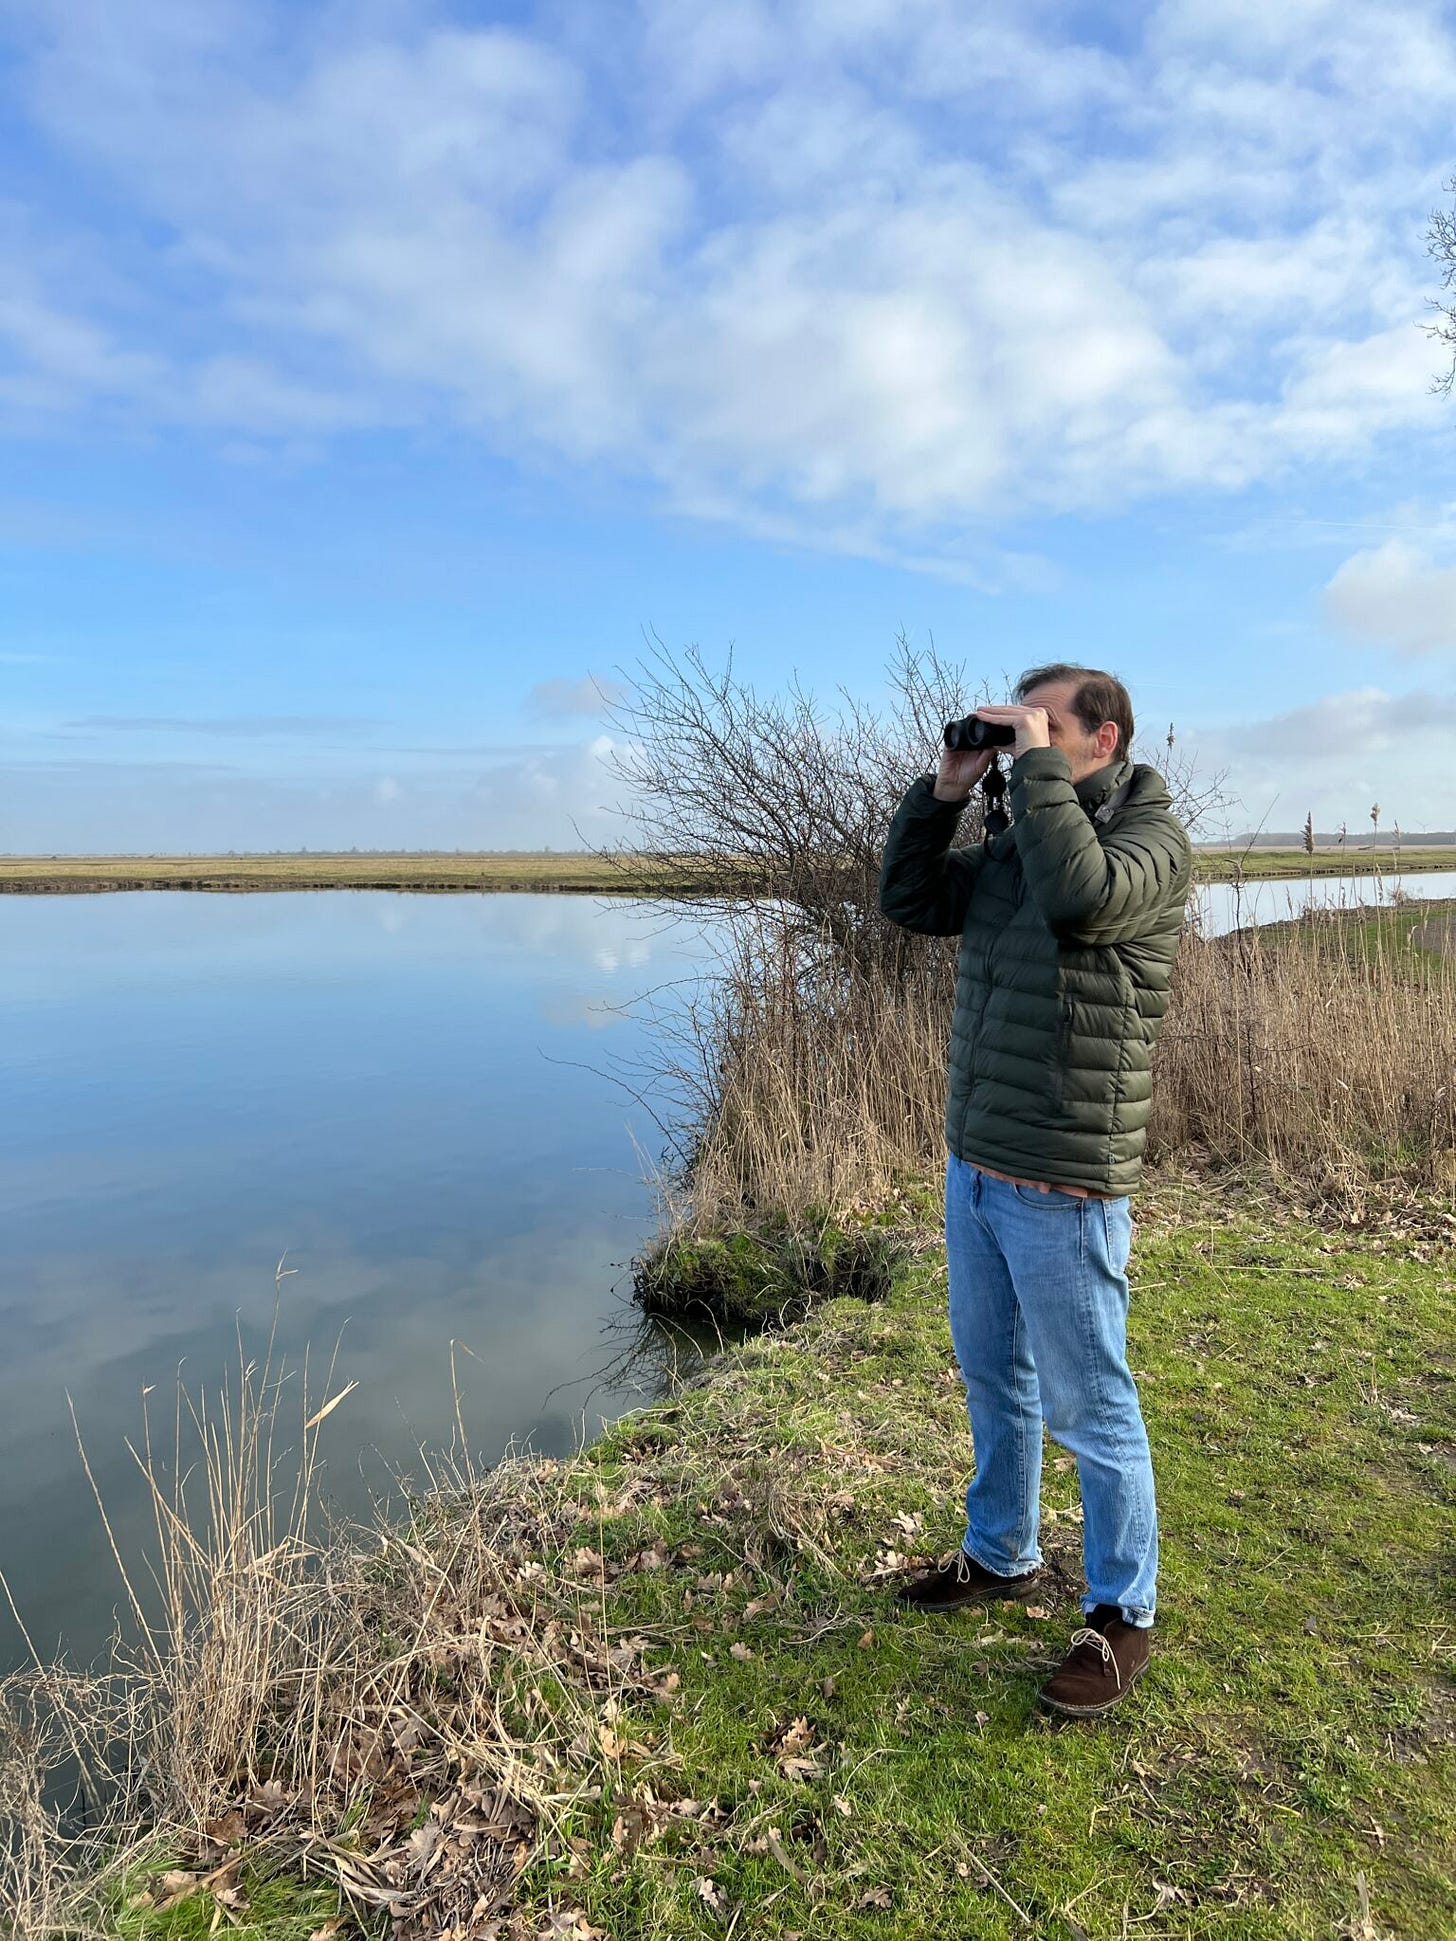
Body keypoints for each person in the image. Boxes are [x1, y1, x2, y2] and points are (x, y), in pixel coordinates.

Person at [878, 663, 1191, 1716]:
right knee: (991, 1378)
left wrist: (1037, 773)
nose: (1025, 746)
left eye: (1043, 728)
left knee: (1091, 1408)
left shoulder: (1147, 844)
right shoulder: (1023, 838)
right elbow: (912, 900)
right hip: (976, 1170)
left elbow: (1083, 898)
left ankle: (1120, 1620)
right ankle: (1000, 1552)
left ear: (1102, 739)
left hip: (1063, 1179)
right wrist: (950, 786)